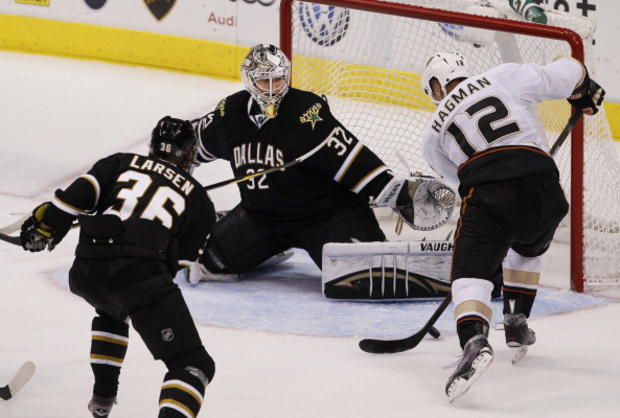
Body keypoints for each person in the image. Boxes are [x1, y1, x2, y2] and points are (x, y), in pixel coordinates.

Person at [418, 51, 605, 401]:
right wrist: (582, 88)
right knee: (526, 245)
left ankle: (474, 339)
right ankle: (517, 322)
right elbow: (570, 69)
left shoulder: (432, 133)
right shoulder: (502, 75)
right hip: (543, 186)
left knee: (468, 273)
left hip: (488, 191)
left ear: (435, 87)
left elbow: (461, 179)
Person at [188, 43, 453, 284]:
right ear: (249, 80)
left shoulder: (307, 112)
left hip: (325, 216)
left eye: (278, 79)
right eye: (263, 81)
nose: (272, 88)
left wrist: (396, 192)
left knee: (363, 279)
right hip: (262, 217)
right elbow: (193, 145)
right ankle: (265, 245)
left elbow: (350, 159)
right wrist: (173, 147)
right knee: (211, 263)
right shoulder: (230, 113)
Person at [20, 117, 217, 417]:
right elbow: (180, 262)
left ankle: (102, 401)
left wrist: (46, 225)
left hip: (87, 267)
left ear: (152, 147)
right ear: (190, 154)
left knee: (111, 309)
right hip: (139, 276)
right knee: (193, 364)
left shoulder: (121, 161)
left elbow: (80, 193)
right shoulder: (200, 200)